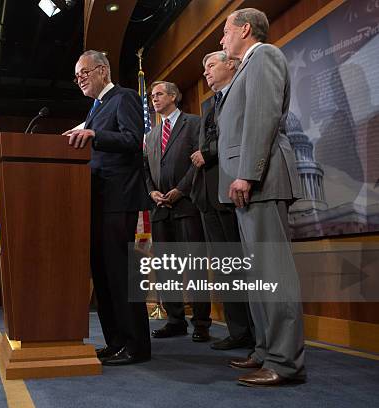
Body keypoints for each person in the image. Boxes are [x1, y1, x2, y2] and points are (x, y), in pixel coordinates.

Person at [217, 8, 305, 386]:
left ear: (245, 29)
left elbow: (263, 117)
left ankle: (285, 362)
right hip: (250, 183)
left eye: (225, 32)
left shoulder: (265, 56)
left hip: (261, 180)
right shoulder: (245, 67)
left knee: (274, 274)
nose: (222, 41)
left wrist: (247, 174)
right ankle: (267, 350)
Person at [63, 50, 152, 365]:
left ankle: (136, 345)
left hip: (119, 200)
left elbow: (132, 140)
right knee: (102, 277)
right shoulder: (95, 108)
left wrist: (94, 134)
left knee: (119, 275)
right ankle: (115, 342)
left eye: (83, 72)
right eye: (77, 76)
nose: (80, 79)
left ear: (102, 70)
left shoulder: (123, 97)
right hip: (98, 201)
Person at [190, 51, 255, 350]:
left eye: (210, 64)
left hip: (232, 193)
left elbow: (241, 134)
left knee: (239, 267)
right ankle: (238, 330)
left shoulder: (242, 92)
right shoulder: (210, 105)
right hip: (208, 196)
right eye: (204, 68)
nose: (206, 72)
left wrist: (209, 153)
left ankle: (253, 332)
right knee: (225, 269)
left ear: (231, 64)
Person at [143, 81, 211, 343]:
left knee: (194, 267)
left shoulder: (194, 123)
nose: (154, 99)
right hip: (160, 209)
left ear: (173, 96)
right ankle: (175, 320)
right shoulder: (150, 135)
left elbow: (198, 160)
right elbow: (146, 170)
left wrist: (181, 190)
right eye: (151, 96)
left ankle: (202, 323)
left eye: (159, 94)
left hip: (187, 204)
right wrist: (152, 193)